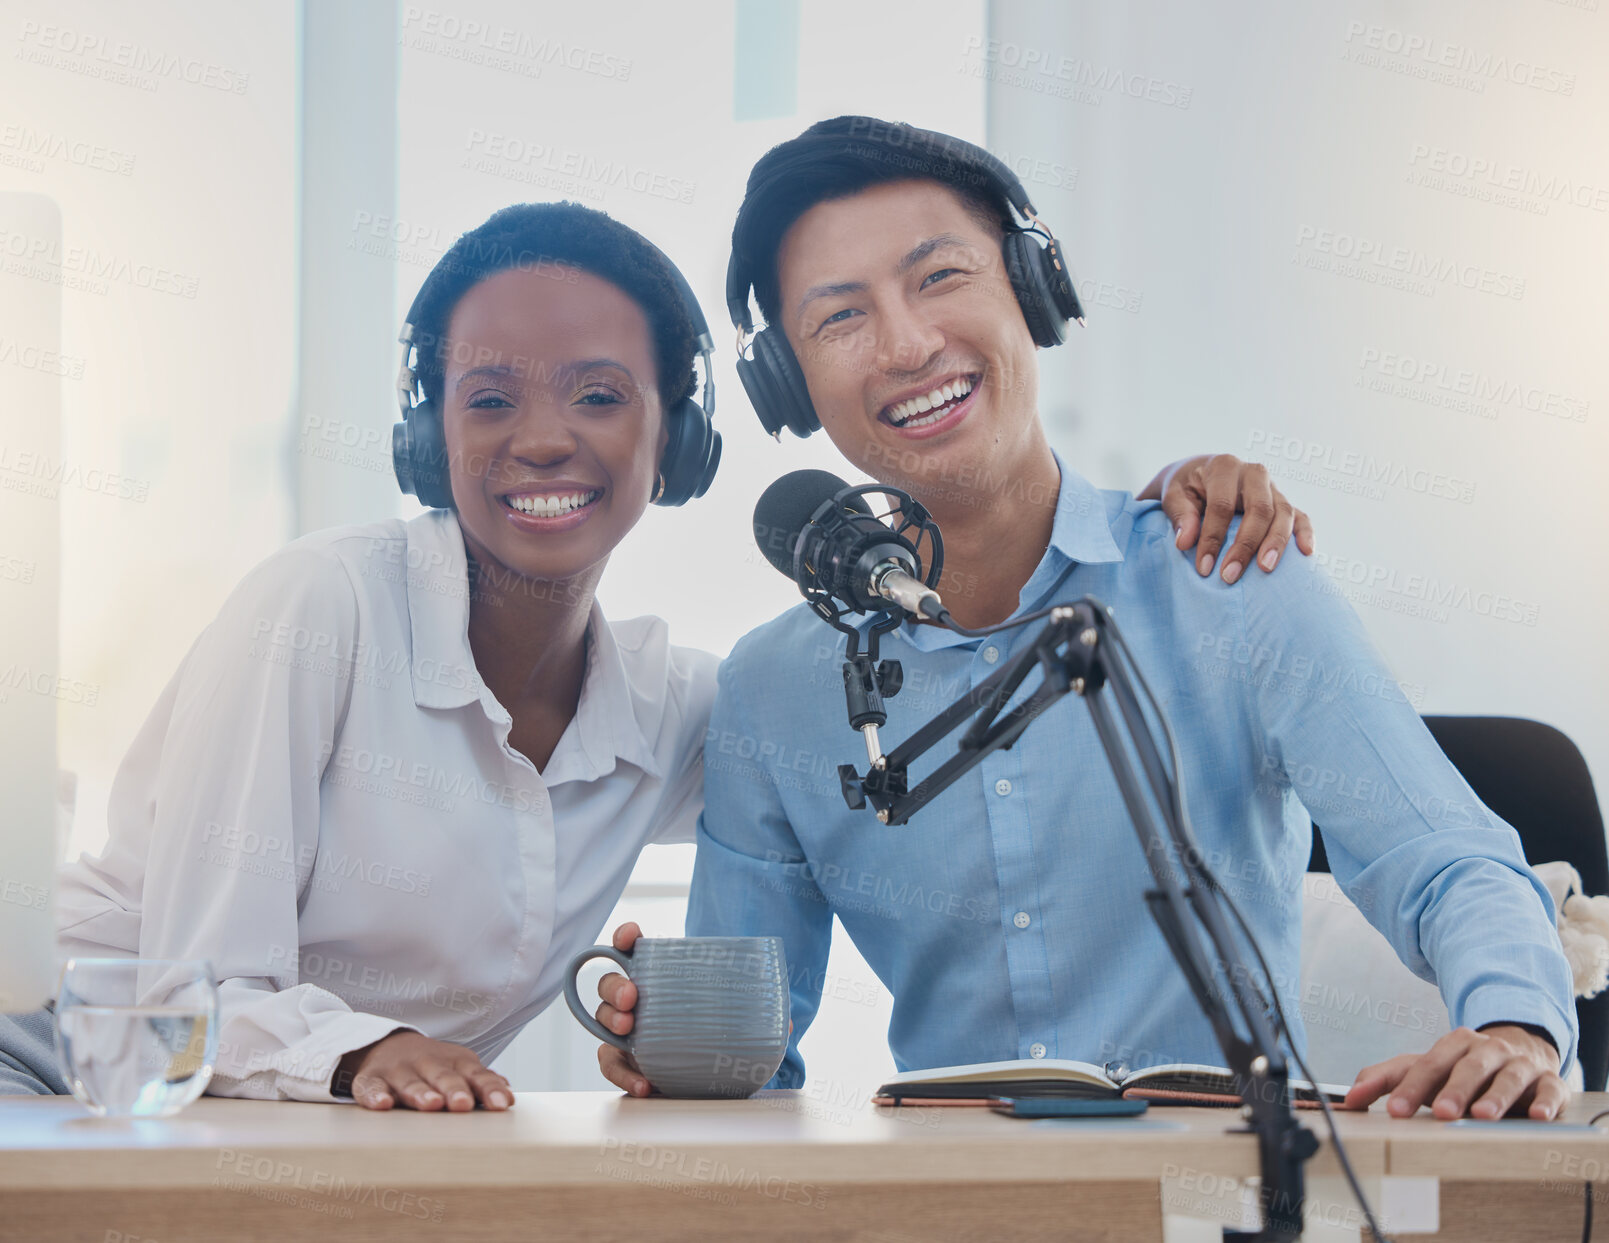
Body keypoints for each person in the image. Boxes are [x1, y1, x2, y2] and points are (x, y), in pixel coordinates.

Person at [0, 198, 1295, 1107]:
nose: (544, 437)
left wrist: (1158, 506)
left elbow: (857, 769)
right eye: (489, 397)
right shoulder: (318, 608)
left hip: (314, 1129)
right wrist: (360, 1049)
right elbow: (186, 990)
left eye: (600, 395)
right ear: (427, 436)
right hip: (65, 1078)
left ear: (677, 440)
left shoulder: (679, 704)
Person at [594, 117, 1577, 1125]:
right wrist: (667, 1053)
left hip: (1221, 1193)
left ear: (1032, 287)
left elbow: (1443, 856)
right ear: (790, 386)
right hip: (951, 1198)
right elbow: (737, 1065)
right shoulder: (775, 691)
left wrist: (1514, 1026)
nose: (905, 344)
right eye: (839, 319)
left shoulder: (1229, 579)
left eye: (938, 277)